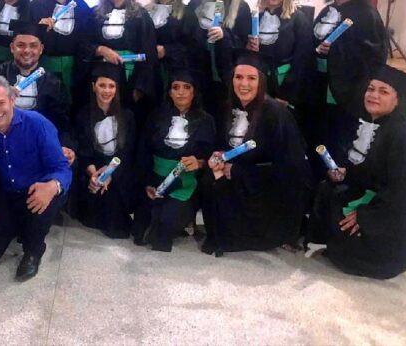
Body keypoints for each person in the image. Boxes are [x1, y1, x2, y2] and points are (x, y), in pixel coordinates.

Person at [307, 64, 406, 279]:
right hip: (373, 195)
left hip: (387, 213)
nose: (373, 95)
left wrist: (365, 216)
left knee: (346, 252)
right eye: (370, 89)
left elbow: (403, 193)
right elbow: (372, 169)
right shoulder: (376, 124)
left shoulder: (402, 136)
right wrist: (346, 173)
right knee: (329, 189)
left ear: (397, 100)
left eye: (383, 92)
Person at [199, 51, 310, 256]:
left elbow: (291, 168)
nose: (244, 84)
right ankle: (219, 231)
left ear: (261, 82)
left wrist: (239, 171)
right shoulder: (227, 108)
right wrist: (218, 158)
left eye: (251, 78)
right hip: (234, 173)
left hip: (264, 184)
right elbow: (221, 145)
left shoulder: (276, 114)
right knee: (208, 178)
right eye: (239, 77)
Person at [0, 76, 71, 281]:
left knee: (41, 207)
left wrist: (52, 187)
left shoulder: (37, 123)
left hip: (38, 190)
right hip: (8, 192)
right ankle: (16, 227)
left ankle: (34, 250)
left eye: (1, 103)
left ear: (12, 100)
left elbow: (62, 168)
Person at [312, 0, 388, 171]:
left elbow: (375, 55)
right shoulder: (326, 11)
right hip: (320, 85)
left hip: (346, 90)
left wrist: (337, 51)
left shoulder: (366, 14)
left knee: (339, 138)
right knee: (319, 135)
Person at [132, 68, 215, 251]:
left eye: (186, 87)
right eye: (176, 87)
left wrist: (199, 162)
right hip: (156, 180)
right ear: (169, 92)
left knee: (162, 228)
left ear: (194, 92)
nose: (181, 92)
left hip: (185, 183)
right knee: (139, 231)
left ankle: (183, 218)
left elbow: (211, 157)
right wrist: (147, 182)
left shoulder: (206, 121)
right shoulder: (156, 116)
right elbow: (144, 152)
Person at [0, 20, 75, 164]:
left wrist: (66, 147)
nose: (26, 51)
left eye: (33, 46)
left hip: (39, 150)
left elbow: (63, 122)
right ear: (12, 48)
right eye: (21, 45)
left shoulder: (54, 84)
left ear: (41, 49)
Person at [182, 0, 252, 126]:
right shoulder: (197, 1)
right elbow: (185, 34)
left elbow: (243, 44)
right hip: (198, 71)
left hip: (225, 76)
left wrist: (224, 35)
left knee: (222, 120)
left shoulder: (242, 8)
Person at [73, 63, 137, 239]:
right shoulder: (83, 115)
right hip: (93, 168)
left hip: (119, 169)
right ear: (94, 87)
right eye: (102, 85)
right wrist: (94, 175)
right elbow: (83, 150)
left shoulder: (128, 116)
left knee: (115, 211)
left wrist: (110, 173)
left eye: (111, 86)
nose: (107, 91)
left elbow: (128, 151)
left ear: (117, 89)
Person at [89, 0, 157, 109]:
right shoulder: (94, 14)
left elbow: (148, 51)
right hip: (102, 79)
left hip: (131, 78)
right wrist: (101, 50)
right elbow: (84, 44)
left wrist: (140, 86)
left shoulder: (141, 15)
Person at [246, 0, 313, 114]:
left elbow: (302, 59)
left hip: (283, 85)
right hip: (258, 82)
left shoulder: (298, 19)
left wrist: (286, 93)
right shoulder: (256, 16)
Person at [30, 0, 95, 102]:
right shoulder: (36, 6)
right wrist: (38, 29)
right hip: (42, 71)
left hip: (74, 74)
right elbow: (28, 40)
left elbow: (87, 43)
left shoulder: (83, 8)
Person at [146, 0, 195, 97]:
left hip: (175, 74)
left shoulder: (188, 14)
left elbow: (193, 45)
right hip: (148, 72)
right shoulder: (145, 11)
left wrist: (166, 51)